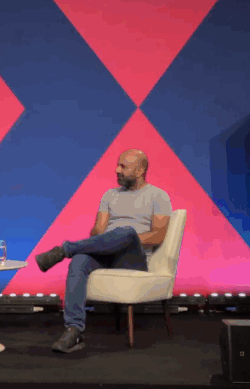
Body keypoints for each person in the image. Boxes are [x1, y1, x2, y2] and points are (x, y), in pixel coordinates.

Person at [35, 149, 171, 353]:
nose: (117, 170)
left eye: (123, 167)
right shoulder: (110, 195)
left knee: (126, 232)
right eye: (117, 165)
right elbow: (97, 231)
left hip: (134, 257)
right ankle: (74, 330)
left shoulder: (158, 196)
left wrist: (126, 238)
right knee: (80, 260)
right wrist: (103, 238)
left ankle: (64, 249)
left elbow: (158, 236)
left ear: (140, 170)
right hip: (107, 253)